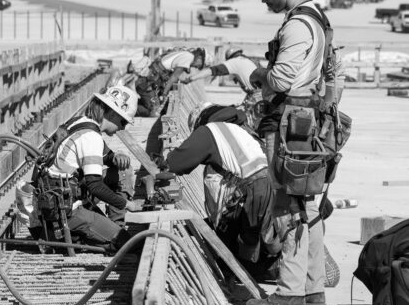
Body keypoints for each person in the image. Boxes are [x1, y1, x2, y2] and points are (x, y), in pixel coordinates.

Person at [243, 0, 340, 305]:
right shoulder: (320, 20)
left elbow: (282, 77)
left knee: (286, 204)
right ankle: (313, 290)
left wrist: (257, 76)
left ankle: (289, 293)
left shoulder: (297, 24)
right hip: (308, 118)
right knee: (305, 202)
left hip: (287, 120)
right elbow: (335, 76)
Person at [164, 102, 275, 270]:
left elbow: (175, 164)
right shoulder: (243, 130)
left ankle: (258, 268)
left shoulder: (209, 130)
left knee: (234, 248)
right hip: (272, 187)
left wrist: (164, 160)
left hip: (255, 192)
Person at [27, 83, 138, 252]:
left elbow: (103, 155)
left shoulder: (80, 122)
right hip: (67, 213)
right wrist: (127, 204)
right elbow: (95, 186)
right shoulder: (91, 137)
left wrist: (114, 157)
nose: (123, 127)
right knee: (127, 243)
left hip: (54, 205)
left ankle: (107, 229)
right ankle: (70, 239)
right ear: (113, 113)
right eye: (123, 121)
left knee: (121, 170)